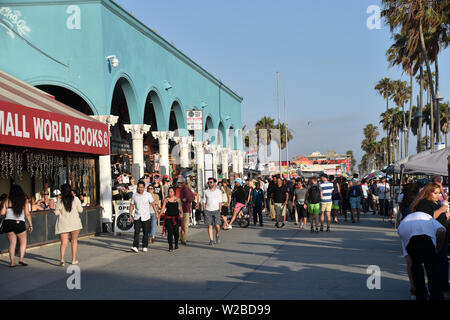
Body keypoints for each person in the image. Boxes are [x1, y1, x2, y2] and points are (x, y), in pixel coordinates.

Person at [397, 211, 446, 300]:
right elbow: (442, 231)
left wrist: (412, 285)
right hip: (425, 237)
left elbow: (409, 261)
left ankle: (420, 293)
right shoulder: (430, 219)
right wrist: (438, 248)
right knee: (432, 268)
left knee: (415, 265)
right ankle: (436, 295)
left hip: (405, 230)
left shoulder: (404, 223)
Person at [411, 182, 450, 294]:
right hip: (433, 236)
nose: (439, 195)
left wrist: (446, 213)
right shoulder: (424, 203)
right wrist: (441, 210)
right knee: (436, 262)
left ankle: (443, 285)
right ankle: (438, 287)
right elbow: (427, 217)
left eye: (439, 193)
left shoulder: (436, 202)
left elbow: (442, 217)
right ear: (429, 193)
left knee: (443, 261)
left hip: (442, 234)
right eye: (436, 193)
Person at [0, 185, 33, 267]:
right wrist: (30, 225)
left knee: (12, 243)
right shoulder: (24, 200)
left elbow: (2, 213)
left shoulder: (7, 200)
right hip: (19, 222)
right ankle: (21, 259)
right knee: (23, 241)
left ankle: (12, 262)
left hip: (8, 223)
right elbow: (27, 214)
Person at [54, 184, 84, 266]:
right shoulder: (76, 199)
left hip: (63, 223)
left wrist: (60, 212)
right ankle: (73, 260)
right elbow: (80, 210)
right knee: (74, 241)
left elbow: (56, 212)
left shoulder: (60, 201)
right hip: (75, 223)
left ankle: (62, 260)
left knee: (64, 243)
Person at [129, 181, 159, 253]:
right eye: (139, 187)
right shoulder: (134, 195)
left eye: (142, 187)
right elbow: (132, 206)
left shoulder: (148, 195)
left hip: (146, 216)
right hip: (137, 216)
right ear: (137, 187)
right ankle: (135, 246)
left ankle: (145, 246)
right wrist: (130, 215)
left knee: (146, 233)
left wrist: (156, 213)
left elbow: (153, 204)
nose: (140, 189)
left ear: (144, 187)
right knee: (136, 232)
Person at [159, 187, 184, 252]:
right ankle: (170, 246)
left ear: (174, 192)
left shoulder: (178, 200)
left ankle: (176, 243)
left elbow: (180, 208)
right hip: (168, 218)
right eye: (169, 191)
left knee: (176, 232)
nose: (170, 193)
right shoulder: (166, 200)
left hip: (176, 218)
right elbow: (163, 209)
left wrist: (181, 213)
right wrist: (159, 215)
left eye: (171, 191)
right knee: (170, 232)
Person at [203, 178, 223, 245]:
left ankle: (217, 234)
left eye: (210, 182)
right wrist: (204, 209)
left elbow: (220, 201)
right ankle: (211, 240)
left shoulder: (218, 191)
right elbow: (204, 201)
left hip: (216, 210)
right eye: (208, 182)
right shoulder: (206, 191)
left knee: (217, 226)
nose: (209, 183)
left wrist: (220, 210)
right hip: (208, 210)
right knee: (210, 226)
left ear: (214, 183)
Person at [177, 176, 195, 245]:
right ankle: (180, 237)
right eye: (178, 183)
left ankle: (183, 239)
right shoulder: (178, 189)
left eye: (180, 183)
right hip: (178, 209)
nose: (179, 184)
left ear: (184, 183)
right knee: (179, 225)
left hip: (185, 209)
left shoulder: (186, 189)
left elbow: (192, 197)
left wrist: (186, 199)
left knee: (185, 225)